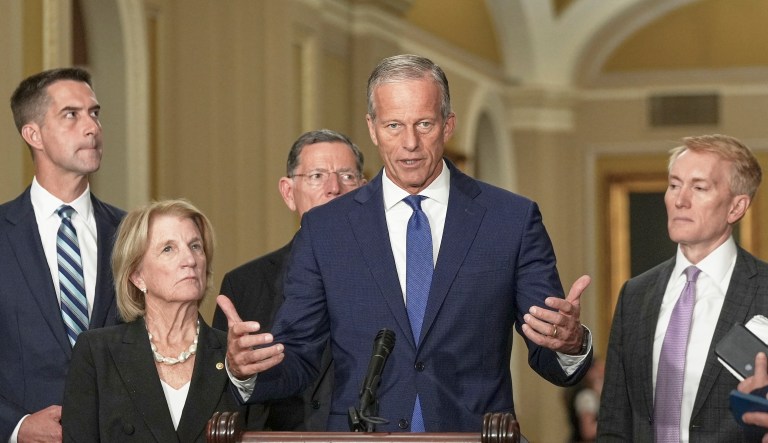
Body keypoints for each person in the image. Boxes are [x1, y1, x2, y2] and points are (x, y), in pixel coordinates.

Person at [220, 54, 593, 432]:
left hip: (474, 436)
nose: (410, 142)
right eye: (394, 125)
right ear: (373, 128)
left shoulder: (510, 220)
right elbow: (298, 359)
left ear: (448, 125)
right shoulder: (325, 229)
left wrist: (571, 344)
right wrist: (245, 370)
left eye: (424, 124)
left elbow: (551, 353)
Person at [598, 134, 768, 442]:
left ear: (736, 207)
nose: (680, 200)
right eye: (674, 185)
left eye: (699, 187)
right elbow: (615, 419)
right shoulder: (635, 294)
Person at [0, 67, 125, 442]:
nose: (92, 128)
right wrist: (16, 427)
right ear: (33, 134)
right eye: (71, 115)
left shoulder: (133, 234)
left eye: (94, 113)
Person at [211, 129, 366, 430]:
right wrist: (238, 370)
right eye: (317, 176)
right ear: (288, 192)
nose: (334, 188)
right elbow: (223, 399)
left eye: (347, 176)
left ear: (365, 189)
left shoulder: (395, 273)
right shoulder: (244, 285)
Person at [61, 199, 243, 442]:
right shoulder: (97, 353)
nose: (189, 259)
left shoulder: (234, 355)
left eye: (195, 246)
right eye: (169, 249)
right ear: (137, 275)